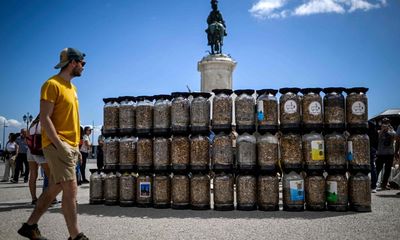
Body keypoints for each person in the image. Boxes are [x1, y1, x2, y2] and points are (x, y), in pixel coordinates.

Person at [17, 48, 89, 240]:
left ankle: (29, 226)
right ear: (73, 62)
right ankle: (76, 236)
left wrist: (76, 148)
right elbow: (45, 118)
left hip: (70, 146)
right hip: (57, 144)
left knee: (54, 188)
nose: (84, 67)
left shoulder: (72, 89)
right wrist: (60, 145)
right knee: (71, 189)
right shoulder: (51, 84)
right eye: (83, 63)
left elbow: (70, 120)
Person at [26, 115, 52, 205]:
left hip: (30, 150)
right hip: (40, 151)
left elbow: (27, 136)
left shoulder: (32, 125)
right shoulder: (43, 123)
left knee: (33, 174)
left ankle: (34, 198)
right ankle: (50, 198)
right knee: (50, 175)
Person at [375, 118, 396, 191]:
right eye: (384, 123)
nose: (386, 124)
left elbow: (395, 137)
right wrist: (382, 130)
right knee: (377, 169)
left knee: (387, 170)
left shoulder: (392, 131)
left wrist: (389, 130)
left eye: (387, 123)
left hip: (390, 153)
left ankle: (384, 184)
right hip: (380, 153)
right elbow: (376, 138)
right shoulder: (379, 131)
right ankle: (374, 183)